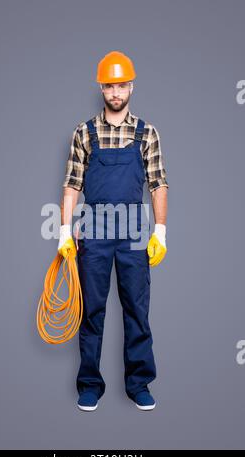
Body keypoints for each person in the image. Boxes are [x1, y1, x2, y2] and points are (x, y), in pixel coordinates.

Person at [58, 51, 168, 411]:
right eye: (110, 85)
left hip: (135, 228)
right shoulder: (83, 132)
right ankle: (90, 384)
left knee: (136, 308)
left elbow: (158, 184)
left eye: (122, 85)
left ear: (131, 86)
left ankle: (139, 383)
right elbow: (72, 185)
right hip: (94, 228)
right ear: (101, 88)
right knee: (92, 310)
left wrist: (161, 231)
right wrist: (64, 231)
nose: (116, 91)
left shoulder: (146, 132)